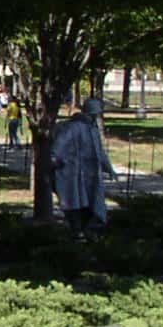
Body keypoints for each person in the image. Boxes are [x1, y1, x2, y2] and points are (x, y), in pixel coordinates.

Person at [52, 98, 118, 236]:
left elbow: (100, 152)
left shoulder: (93, 129)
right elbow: (58, 147)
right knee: (75, 203)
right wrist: (59, 161)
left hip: (90, 174)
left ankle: (87, 230)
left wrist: (109, 168)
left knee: (92, 203)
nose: (96, 117)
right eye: (95, 114)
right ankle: (77, 231)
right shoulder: (74, 127)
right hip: (74, 174)